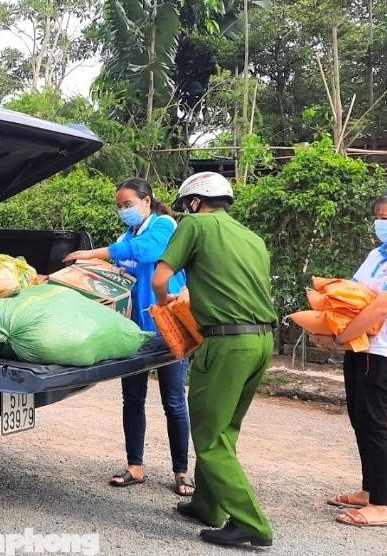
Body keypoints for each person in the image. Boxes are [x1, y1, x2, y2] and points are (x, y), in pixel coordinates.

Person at [152, 172, 277, 548]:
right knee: (225, 428)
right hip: (262, 342)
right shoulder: (251, 237)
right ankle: (207, 505)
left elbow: (161, 280)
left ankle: (252, 525)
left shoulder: (195, 224)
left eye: (185, 204)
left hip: (224, 344)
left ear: (194, 201)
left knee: (208, 435)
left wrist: (166, 312)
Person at [62, 177, 194, 496]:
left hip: (167, 327)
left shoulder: (165, 226)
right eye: (120, 207)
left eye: (128, 204)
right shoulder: (126, 236)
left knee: (174, 400)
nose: (123, 211)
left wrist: (96, 251)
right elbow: (121, 277)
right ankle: (135, 465)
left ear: (147, 201)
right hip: (133, 332)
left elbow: (147, 251)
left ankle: (182, 471)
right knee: (132, 399)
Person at [311, 189, 387, 528]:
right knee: (360, 419)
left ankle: (381, 506)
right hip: (361, 347)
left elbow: (381, 306)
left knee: (374, 423)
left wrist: (340, 337)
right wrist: (330, 328)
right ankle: (370, 490)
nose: (379, 224)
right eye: (377, 218)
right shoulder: (379, 253)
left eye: (385, 218)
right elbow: (351, 294)